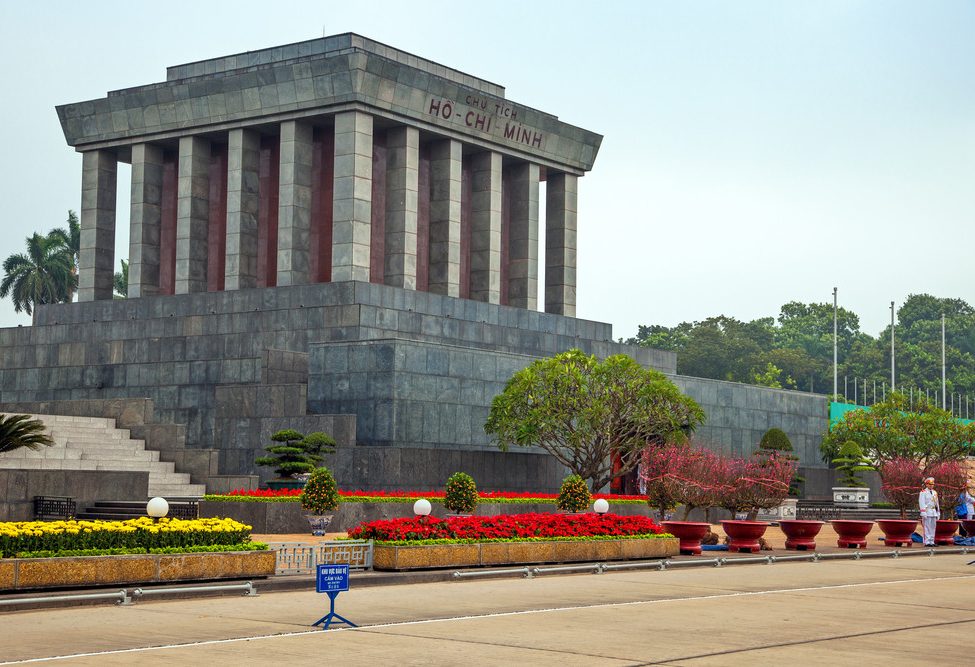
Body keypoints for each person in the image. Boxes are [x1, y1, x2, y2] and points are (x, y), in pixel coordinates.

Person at [918, 477, 940, 546]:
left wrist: (938, 511)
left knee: (933, 527)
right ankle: (927, 541)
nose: (931, 485)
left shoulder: (935, 492)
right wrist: (923, 512)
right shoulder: (923, 492)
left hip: (933, 511)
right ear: (926, 484)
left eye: (932, 484)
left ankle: (932, 541)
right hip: (927, 511)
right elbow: (921, 502)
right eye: (930, 484)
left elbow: (937, 503)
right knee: (927, 527)